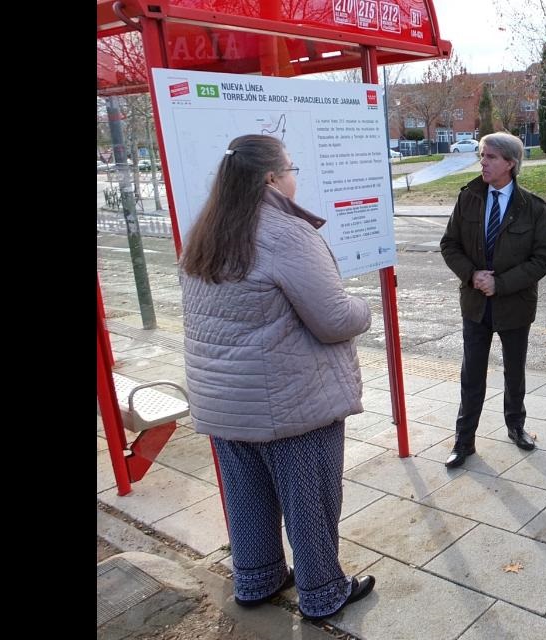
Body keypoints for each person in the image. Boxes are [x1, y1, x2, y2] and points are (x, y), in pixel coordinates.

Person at [178, 135, 375, 620]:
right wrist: (363, 308)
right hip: (291, 402)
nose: (294, 176)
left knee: (247, 500)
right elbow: (332, 318)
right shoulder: (285, 233)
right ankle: (324, 592)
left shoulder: (207, 229)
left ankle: (257, 579)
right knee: (310, 500)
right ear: (271, 177)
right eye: (291, 167)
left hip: (224, 403)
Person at [439, 132, 546, 468]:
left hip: (514, 305)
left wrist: (500, 284)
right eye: (481, 155)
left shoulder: (533, 208)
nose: (483, 162)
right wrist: (473, 275)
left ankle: (516, 426)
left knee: (514, 371)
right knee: (471, 374)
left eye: (490, 156)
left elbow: (543, 259)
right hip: (475, 305)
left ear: (510, 163)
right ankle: (464, 441)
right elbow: (449, 245)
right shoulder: (469, 197)